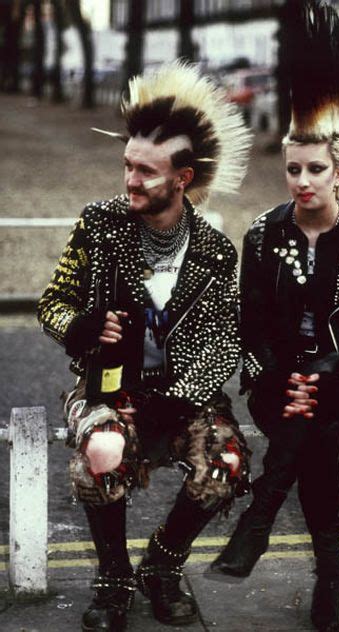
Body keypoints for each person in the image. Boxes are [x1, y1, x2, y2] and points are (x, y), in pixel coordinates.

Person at [37, 61, 252, 632]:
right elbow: (52, 303)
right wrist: (82, 327)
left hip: (182, 396)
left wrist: (173, 401)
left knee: (227, 462)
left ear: (182, 178)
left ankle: (162, 563)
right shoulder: (100, 224)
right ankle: (112, 578)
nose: (130, 180)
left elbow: (221, 343)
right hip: (105, 388)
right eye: (127, 165)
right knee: (104, 452)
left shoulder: (213, 252)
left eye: (147, 172)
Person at [210, 3, 339, 631]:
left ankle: (261, 518)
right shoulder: (263, 237)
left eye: (315, 169)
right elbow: (251, 324)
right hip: (279, 381)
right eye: (292, 169)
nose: (301, 181)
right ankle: (330, 574)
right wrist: (280, 377)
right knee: (311, 438)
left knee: (313, 432)